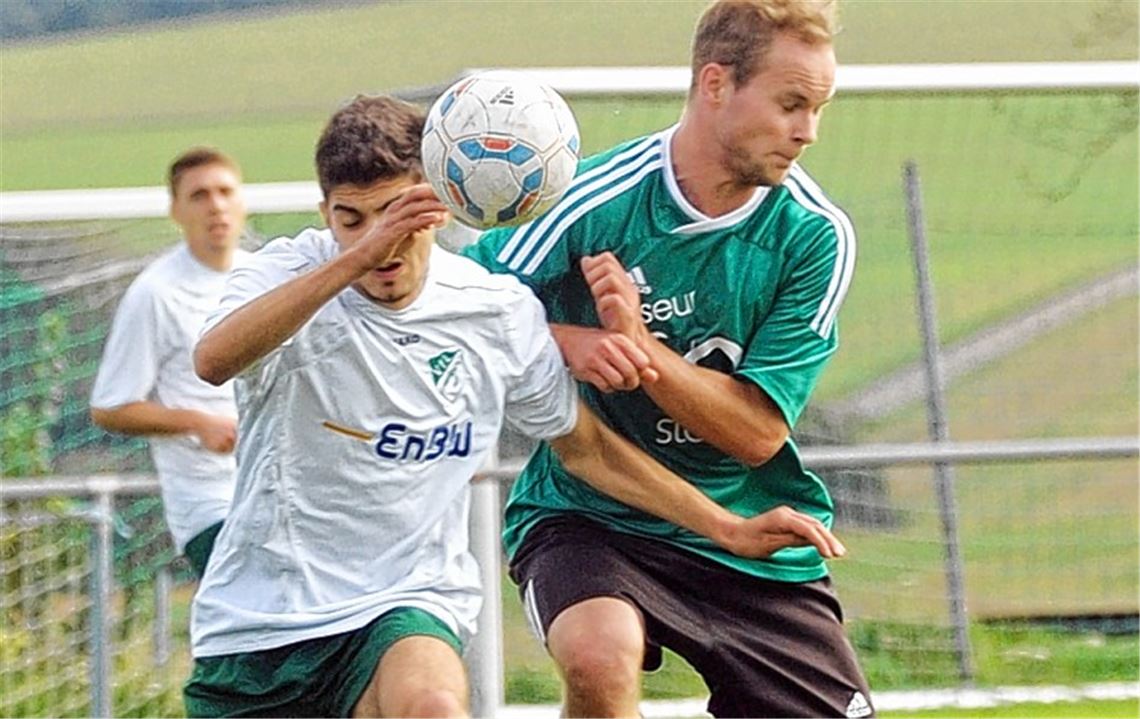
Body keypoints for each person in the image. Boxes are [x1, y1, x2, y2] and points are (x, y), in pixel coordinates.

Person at [182, 94, 842, 718]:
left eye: (396, 215)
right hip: (260, 621)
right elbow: (213, 360)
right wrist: (351, 259)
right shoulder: (285, 273)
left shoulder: (492, 310)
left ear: (437, 206)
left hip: (405, 601)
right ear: (325, 213)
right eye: (352, 219)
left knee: (434, 705)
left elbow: (586, 447)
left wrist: (725, 525)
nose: (380, 243)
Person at [461, 1, 872, 716]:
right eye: (790, 104)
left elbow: (754, 434)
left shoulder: (814, 237)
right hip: (591, 513)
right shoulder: (589, 201)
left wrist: (645, 353)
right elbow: (463, 308)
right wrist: (572, 340)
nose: (807, 132)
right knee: (598, 655)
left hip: (750, 525)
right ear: (715, 84)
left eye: (818, 109)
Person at [90, 147, 247, 577]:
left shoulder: (263, 280)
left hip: (277, 494)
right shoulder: (156, 292)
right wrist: (199, 422)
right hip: (210, 506)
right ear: (176, 210)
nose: (215, 204)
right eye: (199, 195)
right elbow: (111, 406)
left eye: (225, 191)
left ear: (242, 201)